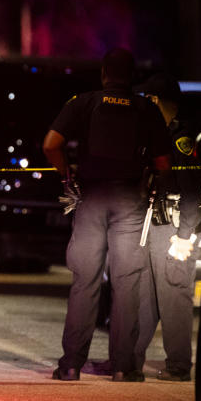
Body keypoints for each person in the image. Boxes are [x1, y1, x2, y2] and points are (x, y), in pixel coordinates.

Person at [42, 48, 171, 382]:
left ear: (103, 74)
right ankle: (124, 367)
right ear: (132, 77)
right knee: (126, 284)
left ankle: (71, 364)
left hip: (91, 200)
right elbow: (163, 163)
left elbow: (51, 143)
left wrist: (67, 176)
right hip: (130, 201)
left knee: (84, 282)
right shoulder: (147, 109)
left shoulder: (84, 103)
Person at [132, 73, 201, 381]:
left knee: (174, 294)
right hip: (157, 224)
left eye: (145, 100)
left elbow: (192, 190)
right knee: (144, 296)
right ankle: (129, 360)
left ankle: (178, 366)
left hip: (177, 226)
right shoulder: (158, 132)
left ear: (154, 100)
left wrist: (184, 236)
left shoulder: (181, 137)